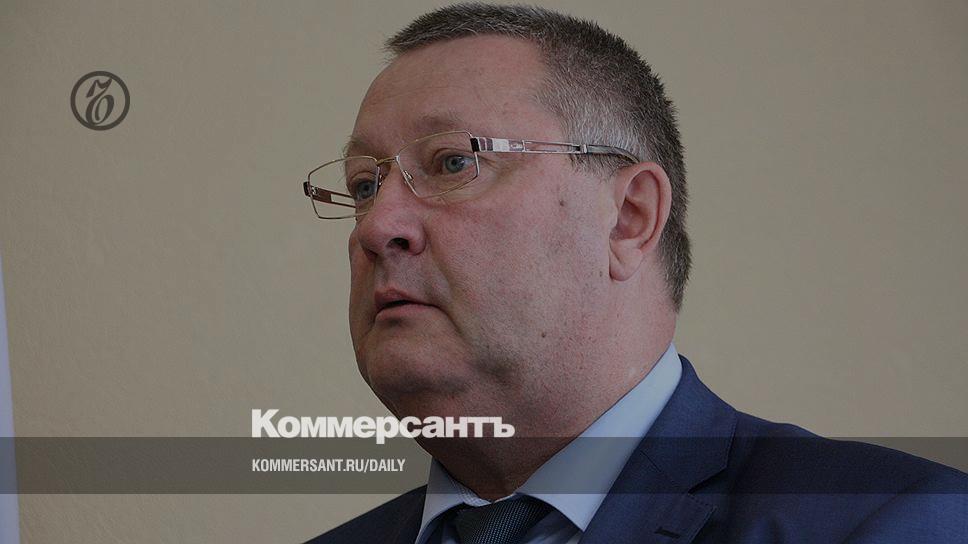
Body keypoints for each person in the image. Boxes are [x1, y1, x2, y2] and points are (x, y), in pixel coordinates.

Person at [303, 4, 968, 543]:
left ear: (628, 218)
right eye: (364, 185)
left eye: (453, 162)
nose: (375, 227)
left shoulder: (889, 523)